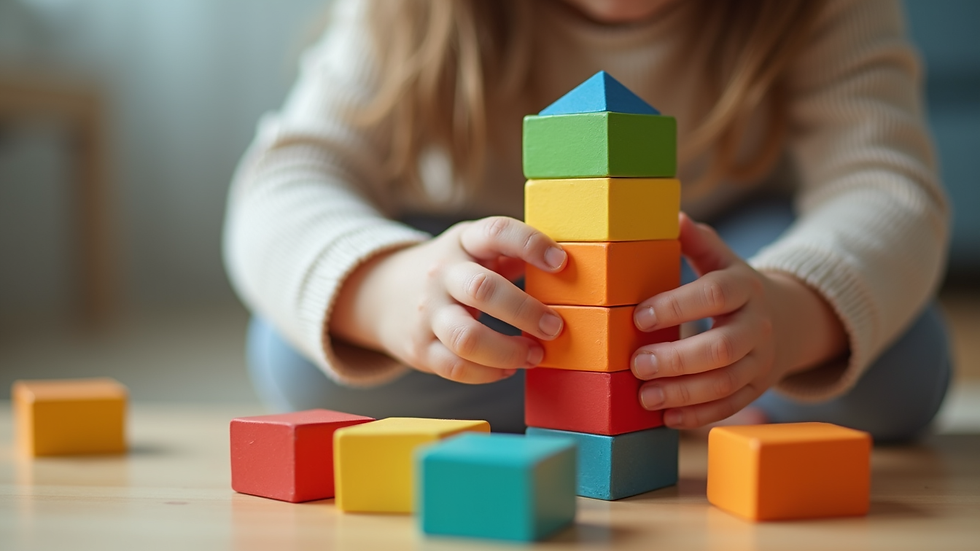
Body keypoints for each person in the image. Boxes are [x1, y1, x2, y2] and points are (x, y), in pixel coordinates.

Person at [223, 0, 952, 441]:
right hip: (516, 290)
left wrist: (790, 319)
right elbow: (285, 179)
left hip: (712, 270)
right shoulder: (410, 14)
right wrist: (390, 290)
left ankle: (695, 389)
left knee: (900, 365)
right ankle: (637, 407)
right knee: (299, 355)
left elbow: (886, 186)